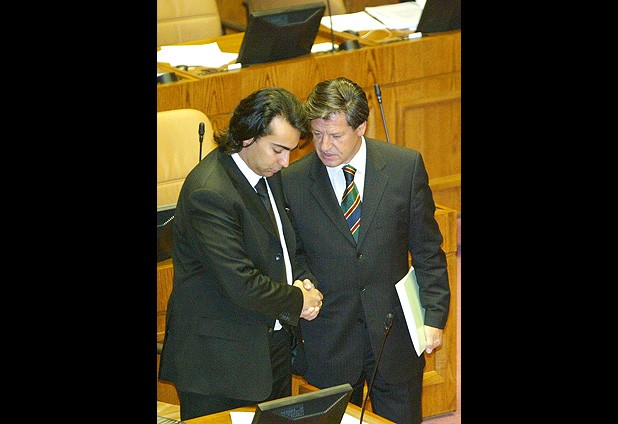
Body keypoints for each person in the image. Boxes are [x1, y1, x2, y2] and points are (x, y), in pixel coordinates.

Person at [281, 77, 450, 424]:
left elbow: (428, 250)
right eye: (317, 134)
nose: (324, 145)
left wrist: (434, 316)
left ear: (361, 127)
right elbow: (291, 253)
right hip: (329, 337)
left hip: (394, 335)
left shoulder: (404, 167)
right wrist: (304, 284)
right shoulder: (291, 181)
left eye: (335, 135)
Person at [158, 86, 324, 421]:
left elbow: (286, 245)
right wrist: (298, 300)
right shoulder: (210, 192)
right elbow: (240, 282)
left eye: (290, 151)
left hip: (269, 350)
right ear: (248, 136)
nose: (285, 162)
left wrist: (304, 280)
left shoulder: (267, 173)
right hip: (219, 364)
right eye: (278, 149)